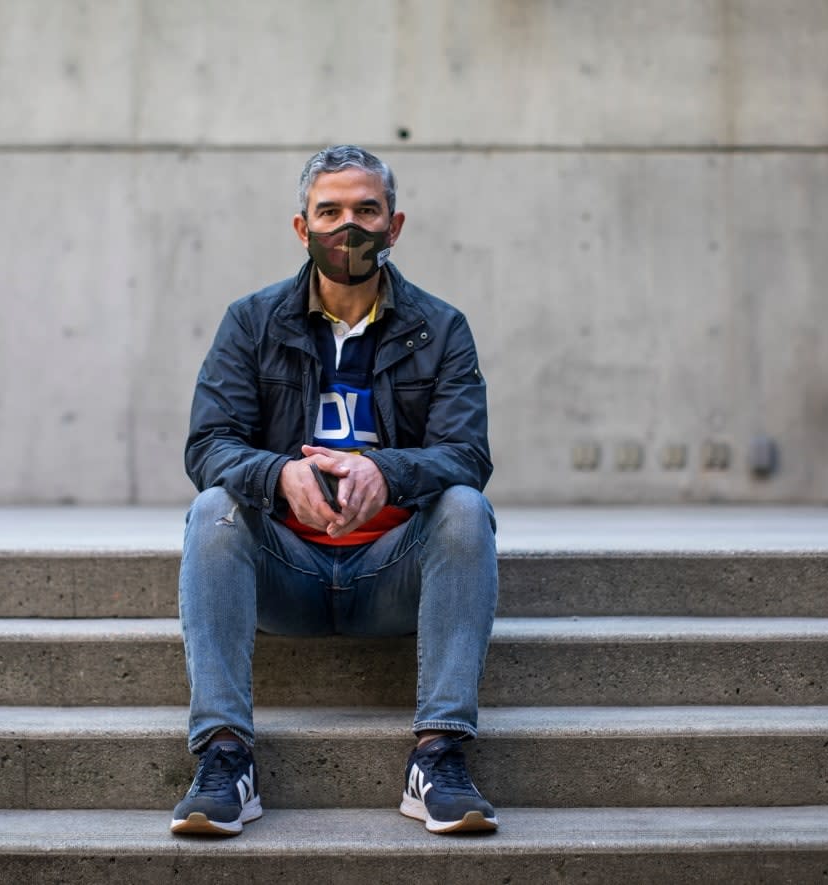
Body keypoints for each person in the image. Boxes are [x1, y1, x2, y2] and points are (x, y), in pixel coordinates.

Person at [171, 145, 499, 837]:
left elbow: (467, 455)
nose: (348, 227)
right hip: (288, 567)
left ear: (395, 224)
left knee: (467, 509)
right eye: (330, 211)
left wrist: (388, 474)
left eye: (365, 210)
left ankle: (438, 753)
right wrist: (279, 473)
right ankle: (225, 756)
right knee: (213, 511)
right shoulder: (251, 323)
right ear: (302, 227)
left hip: (392, 572)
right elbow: (208, 446)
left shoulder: (440, 329)